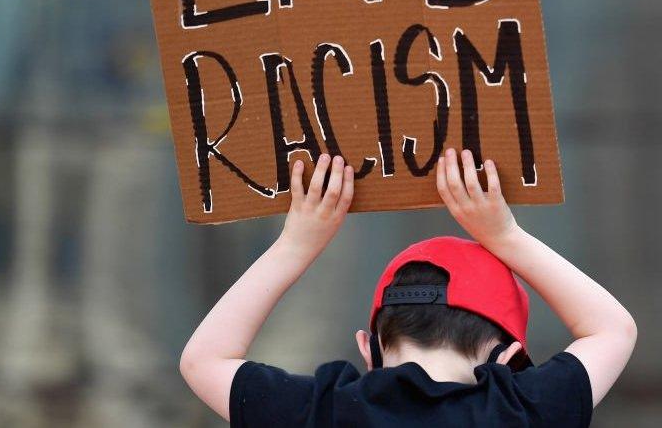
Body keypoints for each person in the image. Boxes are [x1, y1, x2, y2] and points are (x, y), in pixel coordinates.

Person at [179, 148, 637, 427]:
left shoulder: (320, 412)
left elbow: (203, 360)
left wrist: (295, 245)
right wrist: (504, 236)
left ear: (368, 347)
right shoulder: (524, 413)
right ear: (507, 355)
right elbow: (612, 329)